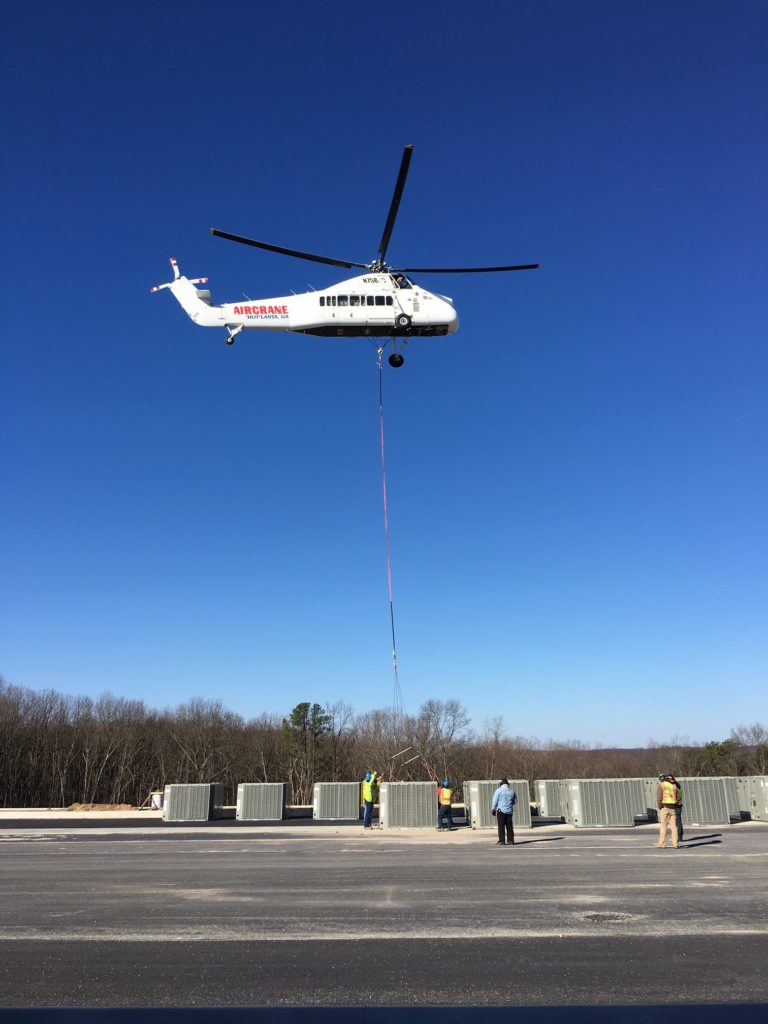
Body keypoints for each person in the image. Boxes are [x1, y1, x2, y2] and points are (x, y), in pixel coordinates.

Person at [656, 773, 683, 848]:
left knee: (664, 826)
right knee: (674, 827)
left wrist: (660, 806)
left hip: (665, 807)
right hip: (673, 808)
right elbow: (678, 797)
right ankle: (675, 843)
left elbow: (659, 797)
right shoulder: (674, 786)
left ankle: (662, 844)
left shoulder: (662, 784)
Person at [491, 778, 517, 845]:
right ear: (507, 784)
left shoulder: (498, 791)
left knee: (501, 826)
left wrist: (493, 809)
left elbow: (495, 801)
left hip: (501, 811)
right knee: (509, 826)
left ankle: (502, 841)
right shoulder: (512, 791)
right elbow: (515, 801)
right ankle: (510, 840)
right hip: (509, 811)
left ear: (501, 784)